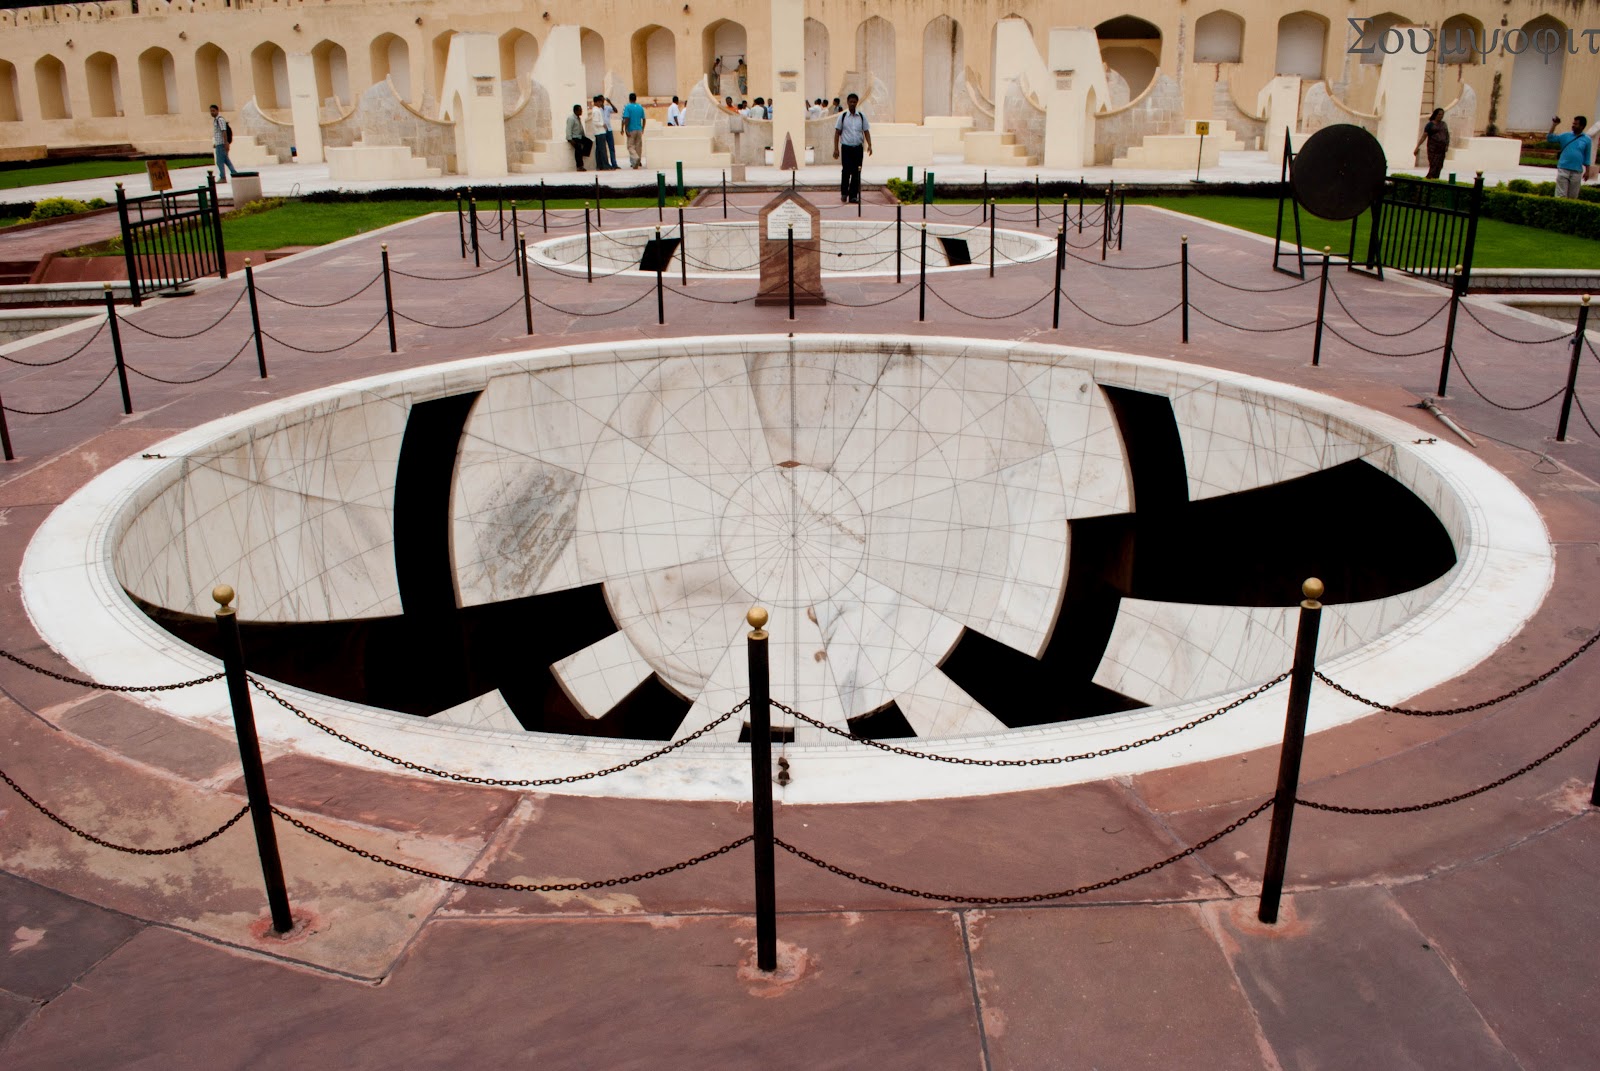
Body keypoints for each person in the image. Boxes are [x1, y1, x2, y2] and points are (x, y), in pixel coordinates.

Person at [832, 92, 871, 204]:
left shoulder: (862, 117)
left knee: (857, 172)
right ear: (847, 102)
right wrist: (836, 149)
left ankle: (853, 196)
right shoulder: (843, 116)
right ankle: (844, 193)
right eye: (851, 102)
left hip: (858, 149)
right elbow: (837, 133)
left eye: (854, 102)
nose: (852, 104)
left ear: (857, 102)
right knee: (846, 171)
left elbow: (866, 131)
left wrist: (870, 145)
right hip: (846, 148)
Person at [1546, 115, 1595, 199]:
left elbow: (1587, 157)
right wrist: (1554, 125)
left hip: (1577, 171)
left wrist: (1587, 171)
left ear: (1582, 126)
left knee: (1573, 196)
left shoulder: (1587, 139)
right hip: (1563, 168)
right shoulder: (1565, 135)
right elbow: (1550, 138)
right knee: (1560, 195)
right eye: (1573, 123)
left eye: (1576, 124)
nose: (1573, 125)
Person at [208, 104, 239, 183]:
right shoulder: (215, 120)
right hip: (219, 143)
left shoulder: (220, 119)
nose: (212, 112)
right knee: (226, 160)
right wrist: (216, 143)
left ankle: (223, 177)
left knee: (219, 162)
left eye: (213, 111)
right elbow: (218, 133)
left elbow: (223, 131)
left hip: (221, 144)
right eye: (211, 111)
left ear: (217, 111)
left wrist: (226, 143)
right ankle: (234, 173)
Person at [1414, 107, 1448, 180]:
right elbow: (1424, 137)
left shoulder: (1444, 124)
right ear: (1435, 115)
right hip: (1433, 149)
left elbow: (1447, 135)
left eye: (1442, 114)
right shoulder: (1430, 125)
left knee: (1439, 166)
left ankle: (1436, 179)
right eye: (1439, 114)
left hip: (1441, 149)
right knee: (1433, 165)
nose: (1441, 116)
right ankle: (1429, 179)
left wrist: (1446, 145)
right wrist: (1417, 147)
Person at [589, 94, 617, 170]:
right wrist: (602, 124)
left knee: (600, 149)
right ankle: (605, 165)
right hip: (600, 132)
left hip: (601, 131)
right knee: (602, 150)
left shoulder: (597, 110)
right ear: (596, 102)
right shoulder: (596, 111)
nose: (601, 103)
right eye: (600, 102)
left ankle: (600, 165)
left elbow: (615, 110)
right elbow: (595, 122)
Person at [622, 92, 646, 169]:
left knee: (630, 146)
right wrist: (643, 128)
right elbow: (644, 119)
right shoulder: (640, 107)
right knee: (638, 146)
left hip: (631, 129)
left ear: (629, 99)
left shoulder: (628, 107)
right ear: (635, 99)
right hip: (639, 129)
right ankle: (637, 162)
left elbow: (626, 118)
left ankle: (635, 158)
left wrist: (625, 129)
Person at [566, 103, 589, 171]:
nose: (581, 112)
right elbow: (568, 129)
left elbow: (581, 129)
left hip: (580, 136)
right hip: (574, 137)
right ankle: (579, 166)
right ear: (576, 111)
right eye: (580, 110)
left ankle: (583, 153)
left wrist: (584, 137)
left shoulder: (578, 118)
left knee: (589, 142)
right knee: (578, 148)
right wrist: (570, 139)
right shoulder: (571, 119)